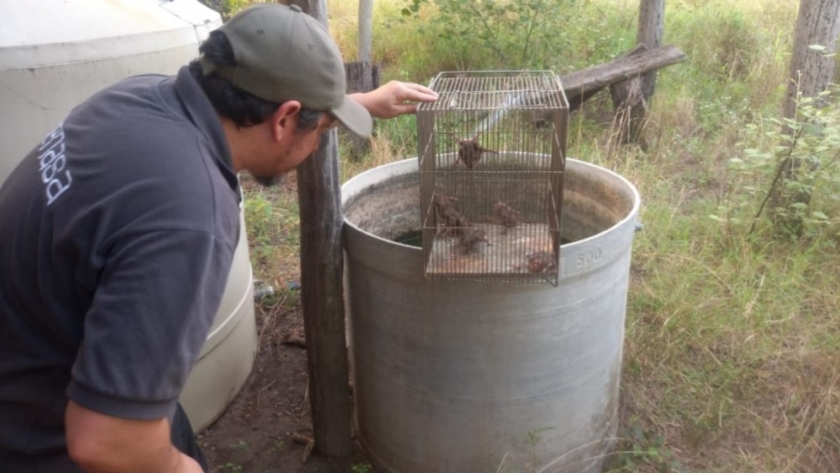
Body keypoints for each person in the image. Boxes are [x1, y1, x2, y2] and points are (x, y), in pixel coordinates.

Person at [0, 3, 437, 472]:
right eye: (324, 128)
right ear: (285, 119)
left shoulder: (136, 98)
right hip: (39, 438)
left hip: (43, 354)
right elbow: (106, 443)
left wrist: (360, 102)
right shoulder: (190, 216)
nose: (317, 144)